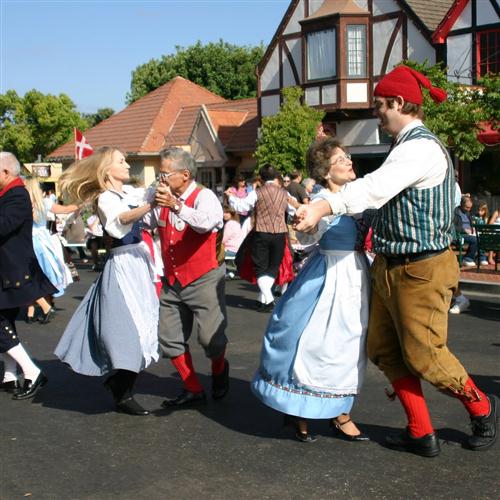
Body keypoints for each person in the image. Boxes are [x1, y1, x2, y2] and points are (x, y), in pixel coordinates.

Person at [294, 65, 498, 456]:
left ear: (400, 103)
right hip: (390, 263)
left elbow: (375, 188)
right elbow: (450, 195)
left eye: (381, 105)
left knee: (426, 355)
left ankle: (482, 406)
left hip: (422, 266)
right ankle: (421, 430)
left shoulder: (420, 147)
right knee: (384, 349)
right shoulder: (406, 148)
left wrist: (324, 204)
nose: (376, 112)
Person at [252, 138, 370, 443]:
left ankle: (340, 411)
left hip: (357, 273)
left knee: (350, 345)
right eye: (341, 159)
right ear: (327, 172)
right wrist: (305, 222)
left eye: (347, 157)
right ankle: (301, 410)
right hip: (330, 275)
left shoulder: (356, 194)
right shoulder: (319, 200)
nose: (349, 162)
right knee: (318, 343)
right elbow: (309, 231)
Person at [54, 147, 159, 416]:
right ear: (106, 170)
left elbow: (146, 218)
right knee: (128, 331)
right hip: (122, 265)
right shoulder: (105, 199)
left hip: (139, 262)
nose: (126, 165)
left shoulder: (128, 194)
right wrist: (150, 205)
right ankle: (121, 391)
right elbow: (119, 221)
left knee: (146, 326)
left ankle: (120, 386)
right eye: (121, 162)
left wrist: (158, 198)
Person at [147, 147, 229, 408]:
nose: (160, 180)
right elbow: (146, 222)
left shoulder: (204, 197)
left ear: (184, 174)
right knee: (169, 338)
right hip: (172, 279)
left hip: (203, 277)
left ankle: (218, 368)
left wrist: (176, 205)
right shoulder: (160, 197)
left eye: (164, 174)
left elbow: (205, 223)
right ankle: (192, 387)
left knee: (211, 339)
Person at [0, 152, 56, 399]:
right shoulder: (8, 193)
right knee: (5, 320)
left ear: (5, 172)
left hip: (13, 268)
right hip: (6, 268)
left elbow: (4, 225)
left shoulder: (17, 194)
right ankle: (10, 375)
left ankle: (31, 370)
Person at [226, 165, 293, 312]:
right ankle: (262, 299)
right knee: (273, 267)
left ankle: (268, 300)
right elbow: (293, 210)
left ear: (261, 178)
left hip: (261, 233)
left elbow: (241, 206)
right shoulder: (284, 193)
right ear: (276, 176)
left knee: (261, 269)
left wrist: (231, 196)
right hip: (280, 233)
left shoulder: (257, 192)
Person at [24, 178, 73, 324]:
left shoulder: (26, 204)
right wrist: (80, 203)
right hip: (44, 241)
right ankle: (33, 310)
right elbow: (65, 209)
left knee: (29, 276)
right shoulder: (44, 203)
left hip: (31, 241)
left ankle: (37, 309)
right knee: (41, 274)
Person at [454, 196, 485, 266]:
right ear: (461, 204)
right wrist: (464, 230)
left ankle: (481, 258)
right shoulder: (455, 213)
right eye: (467, 207)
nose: (469, 209)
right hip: (459, 234)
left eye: (470, 208)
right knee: (475, 239)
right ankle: (467, 258)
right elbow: (453, 226)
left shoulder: (468, 213)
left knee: (483, 237)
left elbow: (471, 224)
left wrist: (473, 228)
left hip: (470, 233)